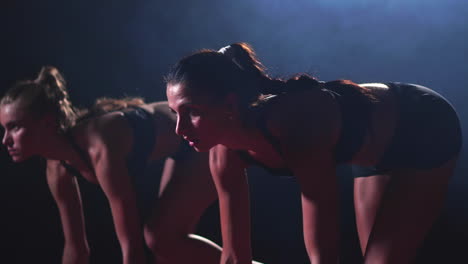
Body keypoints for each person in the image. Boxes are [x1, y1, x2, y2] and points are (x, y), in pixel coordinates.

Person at [165, 43, 462, 264]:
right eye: (175, 113)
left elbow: (323, 245)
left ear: (229, 105)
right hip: (368, 153)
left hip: (421, 125)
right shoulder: (221, 152)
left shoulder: (292, 124)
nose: (179, 129)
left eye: (192, 112)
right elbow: (233, 256)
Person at [0, 66, 239, 264]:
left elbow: (131, 247)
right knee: (162, 242)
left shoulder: (99, 147)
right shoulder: (57, 168)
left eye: (15, 127)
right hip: (181, 150)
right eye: (4, 129)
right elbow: (76, 250)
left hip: (202, 137)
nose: (5, 140)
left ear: (47, 123)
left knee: (159, 239)